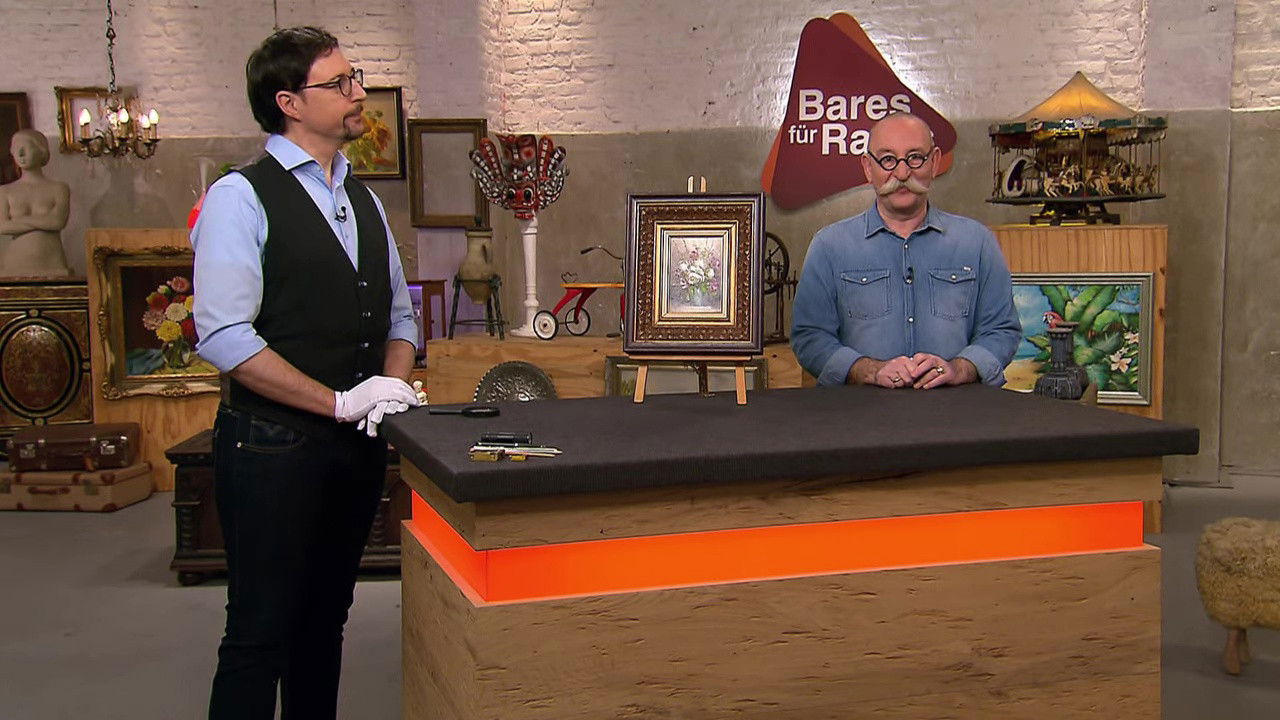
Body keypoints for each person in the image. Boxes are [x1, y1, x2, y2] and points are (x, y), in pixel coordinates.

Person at [190, 26, 420, 720]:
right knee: (259, 634)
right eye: (340, 82)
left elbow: (400, 317)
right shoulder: (240, 196)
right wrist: (339, 402)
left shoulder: (364, 199)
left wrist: (391, 386)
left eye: (356, 78)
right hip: (270, 448)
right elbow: (225, 336)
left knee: (325, 625)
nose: (359, 93)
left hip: (352, 450)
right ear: (289, 102)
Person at [791, 112, 1021, 390]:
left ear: (934, 162)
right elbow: (810, 337)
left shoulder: (977, 242)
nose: (901, 174)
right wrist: (870, 371)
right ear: (868, 167)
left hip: (957, 411)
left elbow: (1001, 330)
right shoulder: (829, 246)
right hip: (858, 412)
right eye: (888, 159)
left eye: (915, 158)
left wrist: (960, 369)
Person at [0, 129, 71, 277]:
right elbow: (3, 226)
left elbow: (57, 222)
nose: (20, 154)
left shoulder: (59, 188)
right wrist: (43, 221)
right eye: (16, 148)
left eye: (26, 147)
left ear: (41, 151)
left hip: (52, 262)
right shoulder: (5, 191)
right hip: (15, 263)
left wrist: (19, 222)